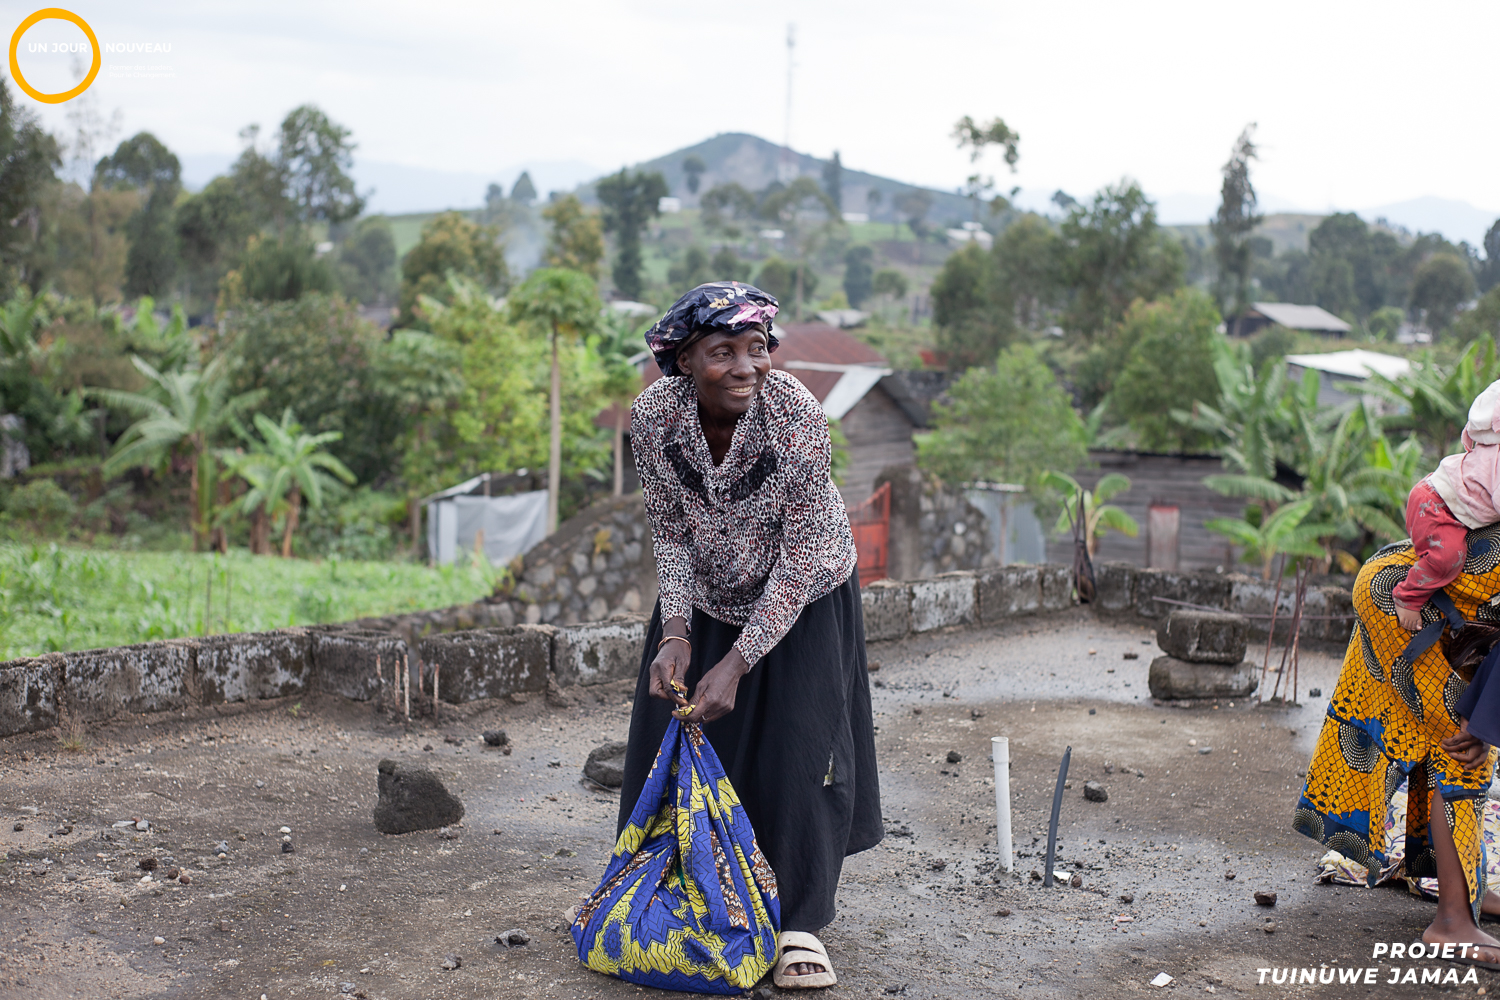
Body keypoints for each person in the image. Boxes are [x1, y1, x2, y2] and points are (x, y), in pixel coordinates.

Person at [616, 281, 882, 989]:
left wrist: (735, 663)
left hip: (807, 588)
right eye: (721, 351)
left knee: (800, 750)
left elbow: (798, 559)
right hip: (706, 590)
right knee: (680, 739)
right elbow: (670, 530)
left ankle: (798, 922)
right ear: (684, 363)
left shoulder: (793, 412)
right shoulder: (654, 419)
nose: (744, 366)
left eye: (757, 348)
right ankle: (687, 895)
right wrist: (675, 630)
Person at [1296, 535, 1500, 967]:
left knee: (1452, 733)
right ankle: (1451, 922)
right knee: (1464, 751)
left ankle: (1466, 888)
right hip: (1399, 600)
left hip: (1420, 597)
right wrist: (1478, 723)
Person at [1394, 379, 1500, 631]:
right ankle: (1407, 596)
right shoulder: (1496, 458)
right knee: (1447, 558)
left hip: (1441, 498)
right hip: (1434, 506)